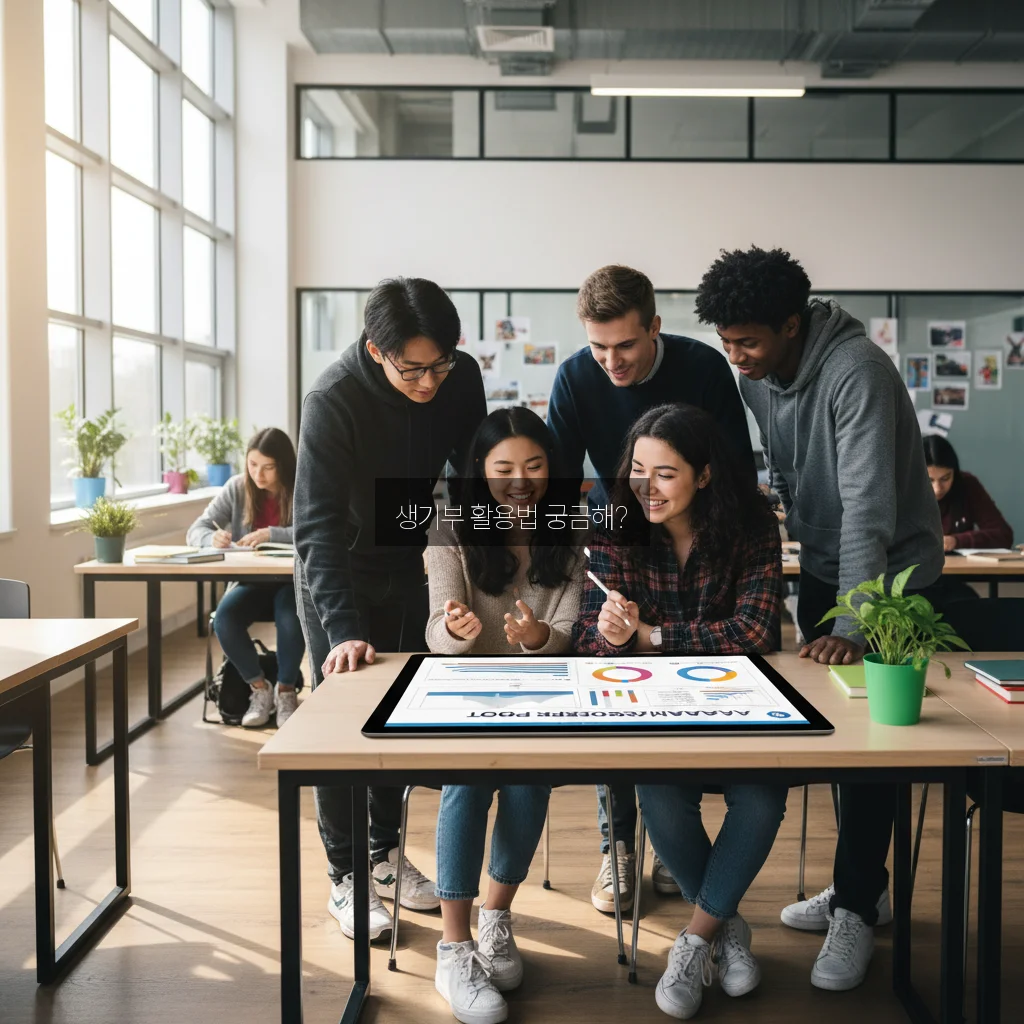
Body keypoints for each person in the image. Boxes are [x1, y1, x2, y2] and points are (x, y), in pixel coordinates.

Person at [694, 246, 944, 992]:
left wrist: (860, 626)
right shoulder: (764, 374)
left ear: (793, 325)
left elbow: (869, 507)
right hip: (828, 570)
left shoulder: (856, 371)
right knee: (841, 747)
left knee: (874, 747)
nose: (735, 358)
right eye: (726, 342)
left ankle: (859, 910)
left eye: (748, 342)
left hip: (891, 581)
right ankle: (859, 887)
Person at [547, 264, 755, 918]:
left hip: (699, 551)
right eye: (598, 346)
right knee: (615, 689)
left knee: (683, 690)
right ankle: (619, 848)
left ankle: (671, 842)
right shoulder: (577, 377)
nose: (610, 361)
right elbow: (556, 479)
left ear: (654, 328)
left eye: (625, 346)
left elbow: (738, 475)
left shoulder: (700, 368)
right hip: (622, 554)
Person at [573, 403, 785, 1021]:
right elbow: (591, 639)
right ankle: (724, 931)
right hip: (656, 710)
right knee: (658, 792)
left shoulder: (751, 525)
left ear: (705, 476)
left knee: (764, 796)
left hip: (739, 705)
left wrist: (657, 638)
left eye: (665, 474)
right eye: (638, 470)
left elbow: (756, 630)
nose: (646, 488)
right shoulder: (615, 523)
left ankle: (693, 941)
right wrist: (614, 636)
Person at [294, 277, 487, 945]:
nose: (431, 382)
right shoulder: (332, 400)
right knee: (344, 719)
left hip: (411, 561)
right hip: (341, 569)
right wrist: (342, 631)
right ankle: (345, 876)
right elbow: (313, 526)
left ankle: (384, 856)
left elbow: (470, 476)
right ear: (377, 352)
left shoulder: (457, 380)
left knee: (401, 714)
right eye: (413, 369)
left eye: (441, 364)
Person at [426, 407, 583, 1024]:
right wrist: (457, 627)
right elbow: (438, 625)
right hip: (464, 694)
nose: (521, 480)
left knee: (529, 780)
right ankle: (454, 948)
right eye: (504, 468)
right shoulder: (450, 528)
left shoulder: (568, 530)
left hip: (538, 695)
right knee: (467, 783)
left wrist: (541, 634)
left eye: (535, 465)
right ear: (479, 471)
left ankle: (496, 915)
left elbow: (569, 630)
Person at [186, 428, 303, 728]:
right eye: (252, 465)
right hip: (249, 580)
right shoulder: (237, 487)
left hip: (289, 582)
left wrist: (272, 534)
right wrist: (212, 538)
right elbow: (195, 530)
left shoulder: (302, 485)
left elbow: (315, 531)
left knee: (291, 619)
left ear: (284, 465)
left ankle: (287, 692)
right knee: (224, 619)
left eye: (268, 467)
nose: (258, 474)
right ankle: (260, 689)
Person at [923, 434, 1013, 551]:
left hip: (959, 568)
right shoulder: (902, 490)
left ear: (955, 472)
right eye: (929, 480)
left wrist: (957, 541)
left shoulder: (966, 484)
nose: (938, 489)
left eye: (945, 478)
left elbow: (1003, 535)